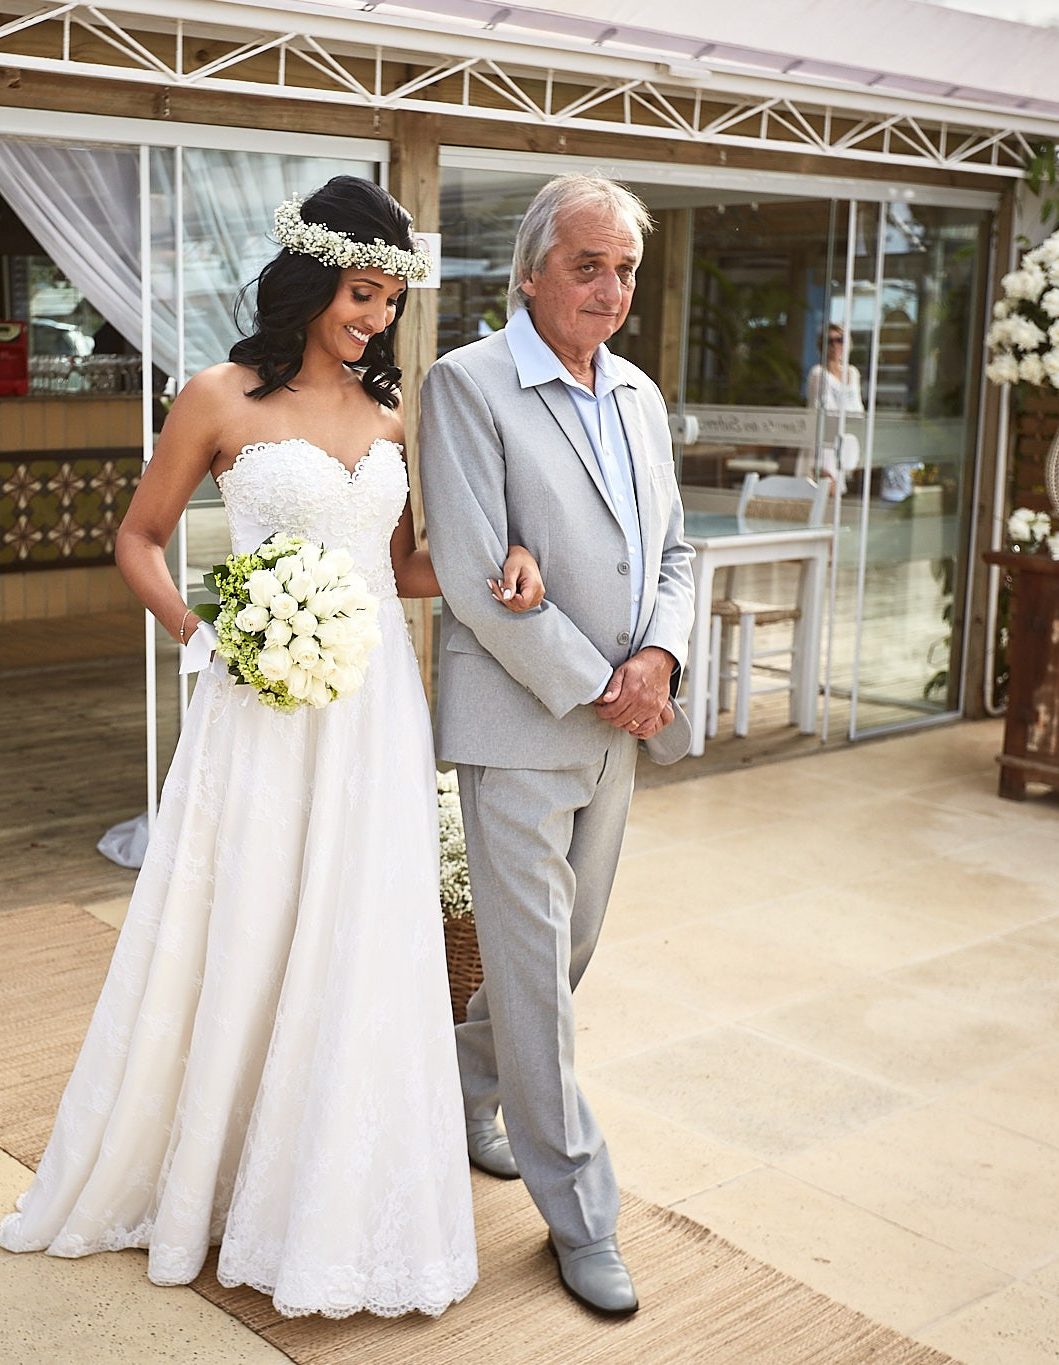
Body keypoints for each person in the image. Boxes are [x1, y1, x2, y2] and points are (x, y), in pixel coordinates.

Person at [0, 175, 544, 1319]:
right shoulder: (214, 398)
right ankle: (207, 1174)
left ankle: (324, 1195)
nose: (375, 318)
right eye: (359, 293)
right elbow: (138, 539)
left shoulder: (393, 418)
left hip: (372, 705)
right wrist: (206, 634)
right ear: (307, 281)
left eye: (390, 301)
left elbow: (396, 570)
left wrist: (501, 569)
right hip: (258, 699)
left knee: (353, 929)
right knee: (241, 918)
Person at [419, 173, 695, 1318]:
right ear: (529, 271)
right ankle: (580, 1213)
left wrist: (659, 667)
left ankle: (453, 1088)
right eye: (587, 265)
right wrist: (602, 685)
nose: (610, 288)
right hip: (521, 725)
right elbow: (484, 587)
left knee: (564, 955)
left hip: (618, 728)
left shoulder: (636, 392)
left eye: (624, 268)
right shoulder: (465, 385)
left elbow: (675, 559)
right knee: (534, 975)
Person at [805, 322, 863, 484]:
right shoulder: (818, 373)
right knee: (825, 489)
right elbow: (824, 409)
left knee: (837, 496)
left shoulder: (853, 372)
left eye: (840, 340)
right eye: (829, 341)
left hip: (846, 441)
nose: (835, 345)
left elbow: (858, 409)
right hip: (824, 442)